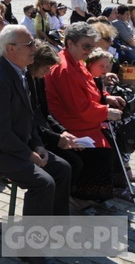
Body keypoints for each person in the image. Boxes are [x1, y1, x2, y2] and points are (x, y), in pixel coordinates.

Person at [0, 25, 72, 220]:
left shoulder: (19, 71)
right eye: (30, 44)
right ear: (11, 49)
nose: (34, 48)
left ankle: (56, 227)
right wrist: (29, 155)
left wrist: (37, 145)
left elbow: (28, 116)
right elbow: (0, 134)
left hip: (14, 144)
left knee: (63, 168)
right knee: (44, 183)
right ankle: (31, 246)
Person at [45, 22, 125, 208]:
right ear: (70, 43)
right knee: (102, 151)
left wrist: (107, 98)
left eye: (92, 46)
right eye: (86, 46)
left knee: (114, 142)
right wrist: (106, 111)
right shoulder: (64, 67)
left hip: (84, 118)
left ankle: (105, 191)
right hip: (70, 124)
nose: (90, 51)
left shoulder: (77, 62)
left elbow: (91, 90)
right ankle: (81, 196)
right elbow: (78, 108)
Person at [27, 41, 84, 189]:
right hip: (32, 137)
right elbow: (29, 120)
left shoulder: (39, 79)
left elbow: (45, 112)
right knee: (67, 165)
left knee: (79, 158)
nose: (48, 72)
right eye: (46, 68)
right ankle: (53, 204)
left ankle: (63, 201)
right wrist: (56, 138)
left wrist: (62, 131)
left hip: (43, 133)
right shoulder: (25, 80)